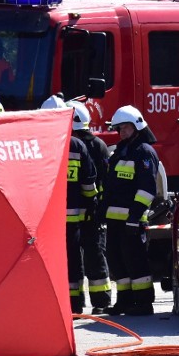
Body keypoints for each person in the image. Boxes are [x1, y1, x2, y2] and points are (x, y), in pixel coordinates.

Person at [41, 95, 97, 314]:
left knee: (48, 259)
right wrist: (89, 205)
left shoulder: (37, 142)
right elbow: (88, 182)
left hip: (46, 218)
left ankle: (50, 303)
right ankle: (74, 304)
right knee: (73, 259)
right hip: (73, 217)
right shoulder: (77, 145)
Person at [102, 105, 160, 316]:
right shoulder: (120, 152)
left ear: (136, 126)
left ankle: (144, 303)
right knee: (118, 262)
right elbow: (111, 187)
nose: (122, 132)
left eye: (126, 127)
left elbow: (147, 189)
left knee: (136, 262)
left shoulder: (144, 152)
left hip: (132, 220)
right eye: (120, 128)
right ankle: (124, 302)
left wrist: (134, 217)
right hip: (115, 220)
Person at [67, 100, 112, 314]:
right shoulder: (97, 145)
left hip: (84, 213)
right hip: (89, 211)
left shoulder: (80, 145)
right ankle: (100, 301)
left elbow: (98, 180)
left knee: (85, 255)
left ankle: (93, 301)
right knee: (92, 255)